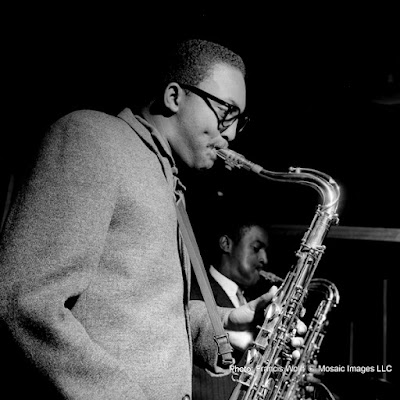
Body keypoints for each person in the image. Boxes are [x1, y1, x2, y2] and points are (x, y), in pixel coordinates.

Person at [0, 38, 298, 400]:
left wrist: (224, 325)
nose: (231, 133)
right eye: (226, 111)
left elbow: (137, 310)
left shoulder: (169, 182)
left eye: (239, 119)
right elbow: (26, 302)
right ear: (174, 96)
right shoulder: (92, 137)